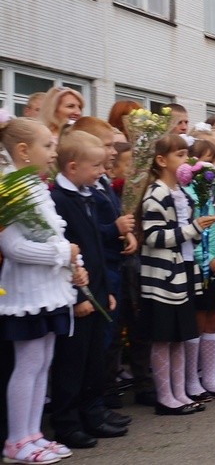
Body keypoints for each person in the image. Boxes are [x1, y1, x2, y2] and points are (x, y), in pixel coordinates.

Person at [0, 117, 81, 463]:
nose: (54, 152)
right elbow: (14, 247)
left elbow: (53, 235)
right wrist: (63, 254)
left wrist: (76, 265)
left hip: (50, 287)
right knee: (29, 362)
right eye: (47, 146)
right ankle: (16, 440)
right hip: (27, 292)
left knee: (43, 361)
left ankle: (34, 433)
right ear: (22, 150)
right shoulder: (10, 187)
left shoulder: (33, 186)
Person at [50, 131, 128, 449]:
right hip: (77, 293)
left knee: (94, 356)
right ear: (72, 167)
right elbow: (67, 251)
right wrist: (81, 296)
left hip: (96, 286)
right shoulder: (59, 200)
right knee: (73, 361)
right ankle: (68, 423)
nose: (101, 171)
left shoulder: (86, 194)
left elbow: (95, 247)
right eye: (95, 165)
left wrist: (104, 289)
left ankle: (94, 411)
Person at [137, 135, 215, 416]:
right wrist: (194, 229)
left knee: (181, 337)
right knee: (163, 338)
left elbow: (185, 236)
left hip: (181, 273)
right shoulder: (155, 194)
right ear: (162, 161)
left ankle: (179, 392)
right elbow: (154, 236)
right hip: (162, 278)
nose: (186, 162)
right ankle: (165, 397)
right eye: (181, 155)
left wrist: (196, 231)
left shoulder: (181, 193)